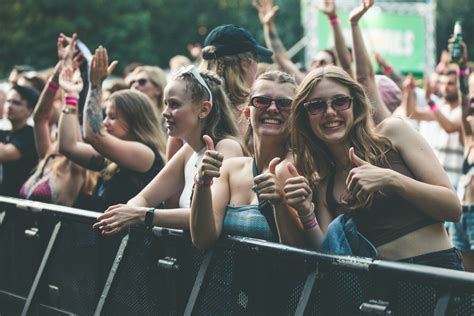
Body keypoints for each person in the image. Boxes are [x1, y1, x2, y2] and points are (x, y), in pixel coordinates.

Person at [289, 64, 462, 269]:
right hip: (381, 287)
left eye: (340, 101)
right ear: (306, 116)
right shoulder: (323, 182)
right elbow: (331, 256)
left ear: (355, 104)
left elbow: (453, 209)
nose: (330, 112)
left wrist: (391, 179)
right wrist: (305, 213)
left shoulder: (392, 133)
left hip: (438, 272)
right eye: (316, 105)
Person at [93, 66, 245, 235]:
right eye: (165, 104)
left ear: (204, 110)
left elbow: (209, 219)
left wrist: (143, 215)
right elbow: (144, 197)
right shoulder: (189, 150)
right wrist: (126, 212)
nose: (165, 113)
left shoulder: (227, 147)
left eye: (174, 105)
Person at [190, 71, 323, 250]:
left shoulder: (298, 169)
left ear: (295, 117)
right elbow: (202, 240)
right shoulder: (229, 169)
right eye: (262, 101)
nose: (273, 109)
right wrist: (202, 183)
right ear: (247, 113)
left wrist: (280, 204)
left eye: (284, 103)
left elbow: (300, 256)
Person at [58, 46, 166, 212]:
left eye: (113, 117)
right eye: (106, 116)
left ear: (135, 121)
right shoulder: (112, 159)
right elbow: (68, 146)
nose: (105, 123)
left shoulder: (146, 154)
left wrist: (96, 84)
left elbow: (93, 135)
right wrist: (70, 96)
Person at [20, 34, 96, 207]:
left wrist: (71, 95)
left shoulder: (77, 168)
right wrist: (58, 72)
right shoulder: (49, 156)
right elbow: (40, 118)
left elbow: (71, 145)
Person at [0, 84, 39, 197]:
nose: (9, 106)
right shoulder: (5, 133)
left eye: (16, 103)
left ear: (30, 110)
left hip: (21, 201)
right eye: (8, 101)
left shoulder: (30, 134)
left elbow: (5, 154)